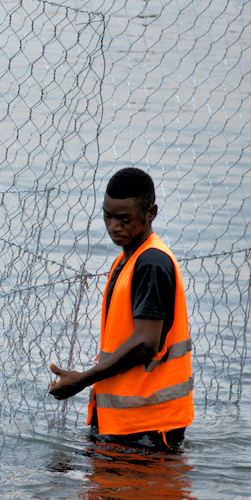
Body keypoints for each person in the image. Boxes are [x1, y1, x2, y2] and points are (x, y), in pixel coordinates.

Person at [48, 167, 194, 451]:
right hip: (125, 422)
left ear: (150, 213)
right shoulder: (126, 260)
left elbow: (146, 343)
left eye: (124, 219)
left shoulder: (151, 263)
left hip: (148, 428)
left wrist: (82, 380)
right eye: (108, 216)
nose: (114, 226)